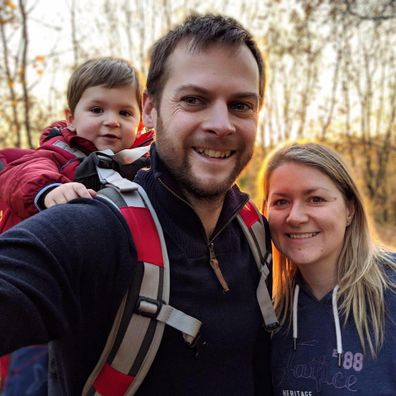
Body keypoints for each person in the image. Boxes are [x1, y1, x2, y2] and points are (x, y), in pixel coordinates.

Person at [0, 14, 273, 395]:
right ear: (150, 109)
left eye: (241, 105)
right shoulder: (99, 229)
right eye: (194, 100)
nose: (221, 124)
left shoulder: (257, 234)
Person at [0, 57, 150, 395]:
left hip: (108, 305)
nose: (111, 122)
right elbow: (19, 176)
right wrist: (50, 190)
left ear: (140, 121)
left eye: (125, 113)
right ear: (71, 117)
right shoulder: (54, 155)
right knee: (32, 379)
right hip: (43, 297)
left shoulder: (141, 166)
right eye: (97, 110)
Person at [259, 142, 396, 395]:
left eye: (316, 199)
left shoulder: (392, 289)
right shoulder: (267, 310)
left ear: (350, 210)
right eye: (281, 202)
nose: (296, 217)